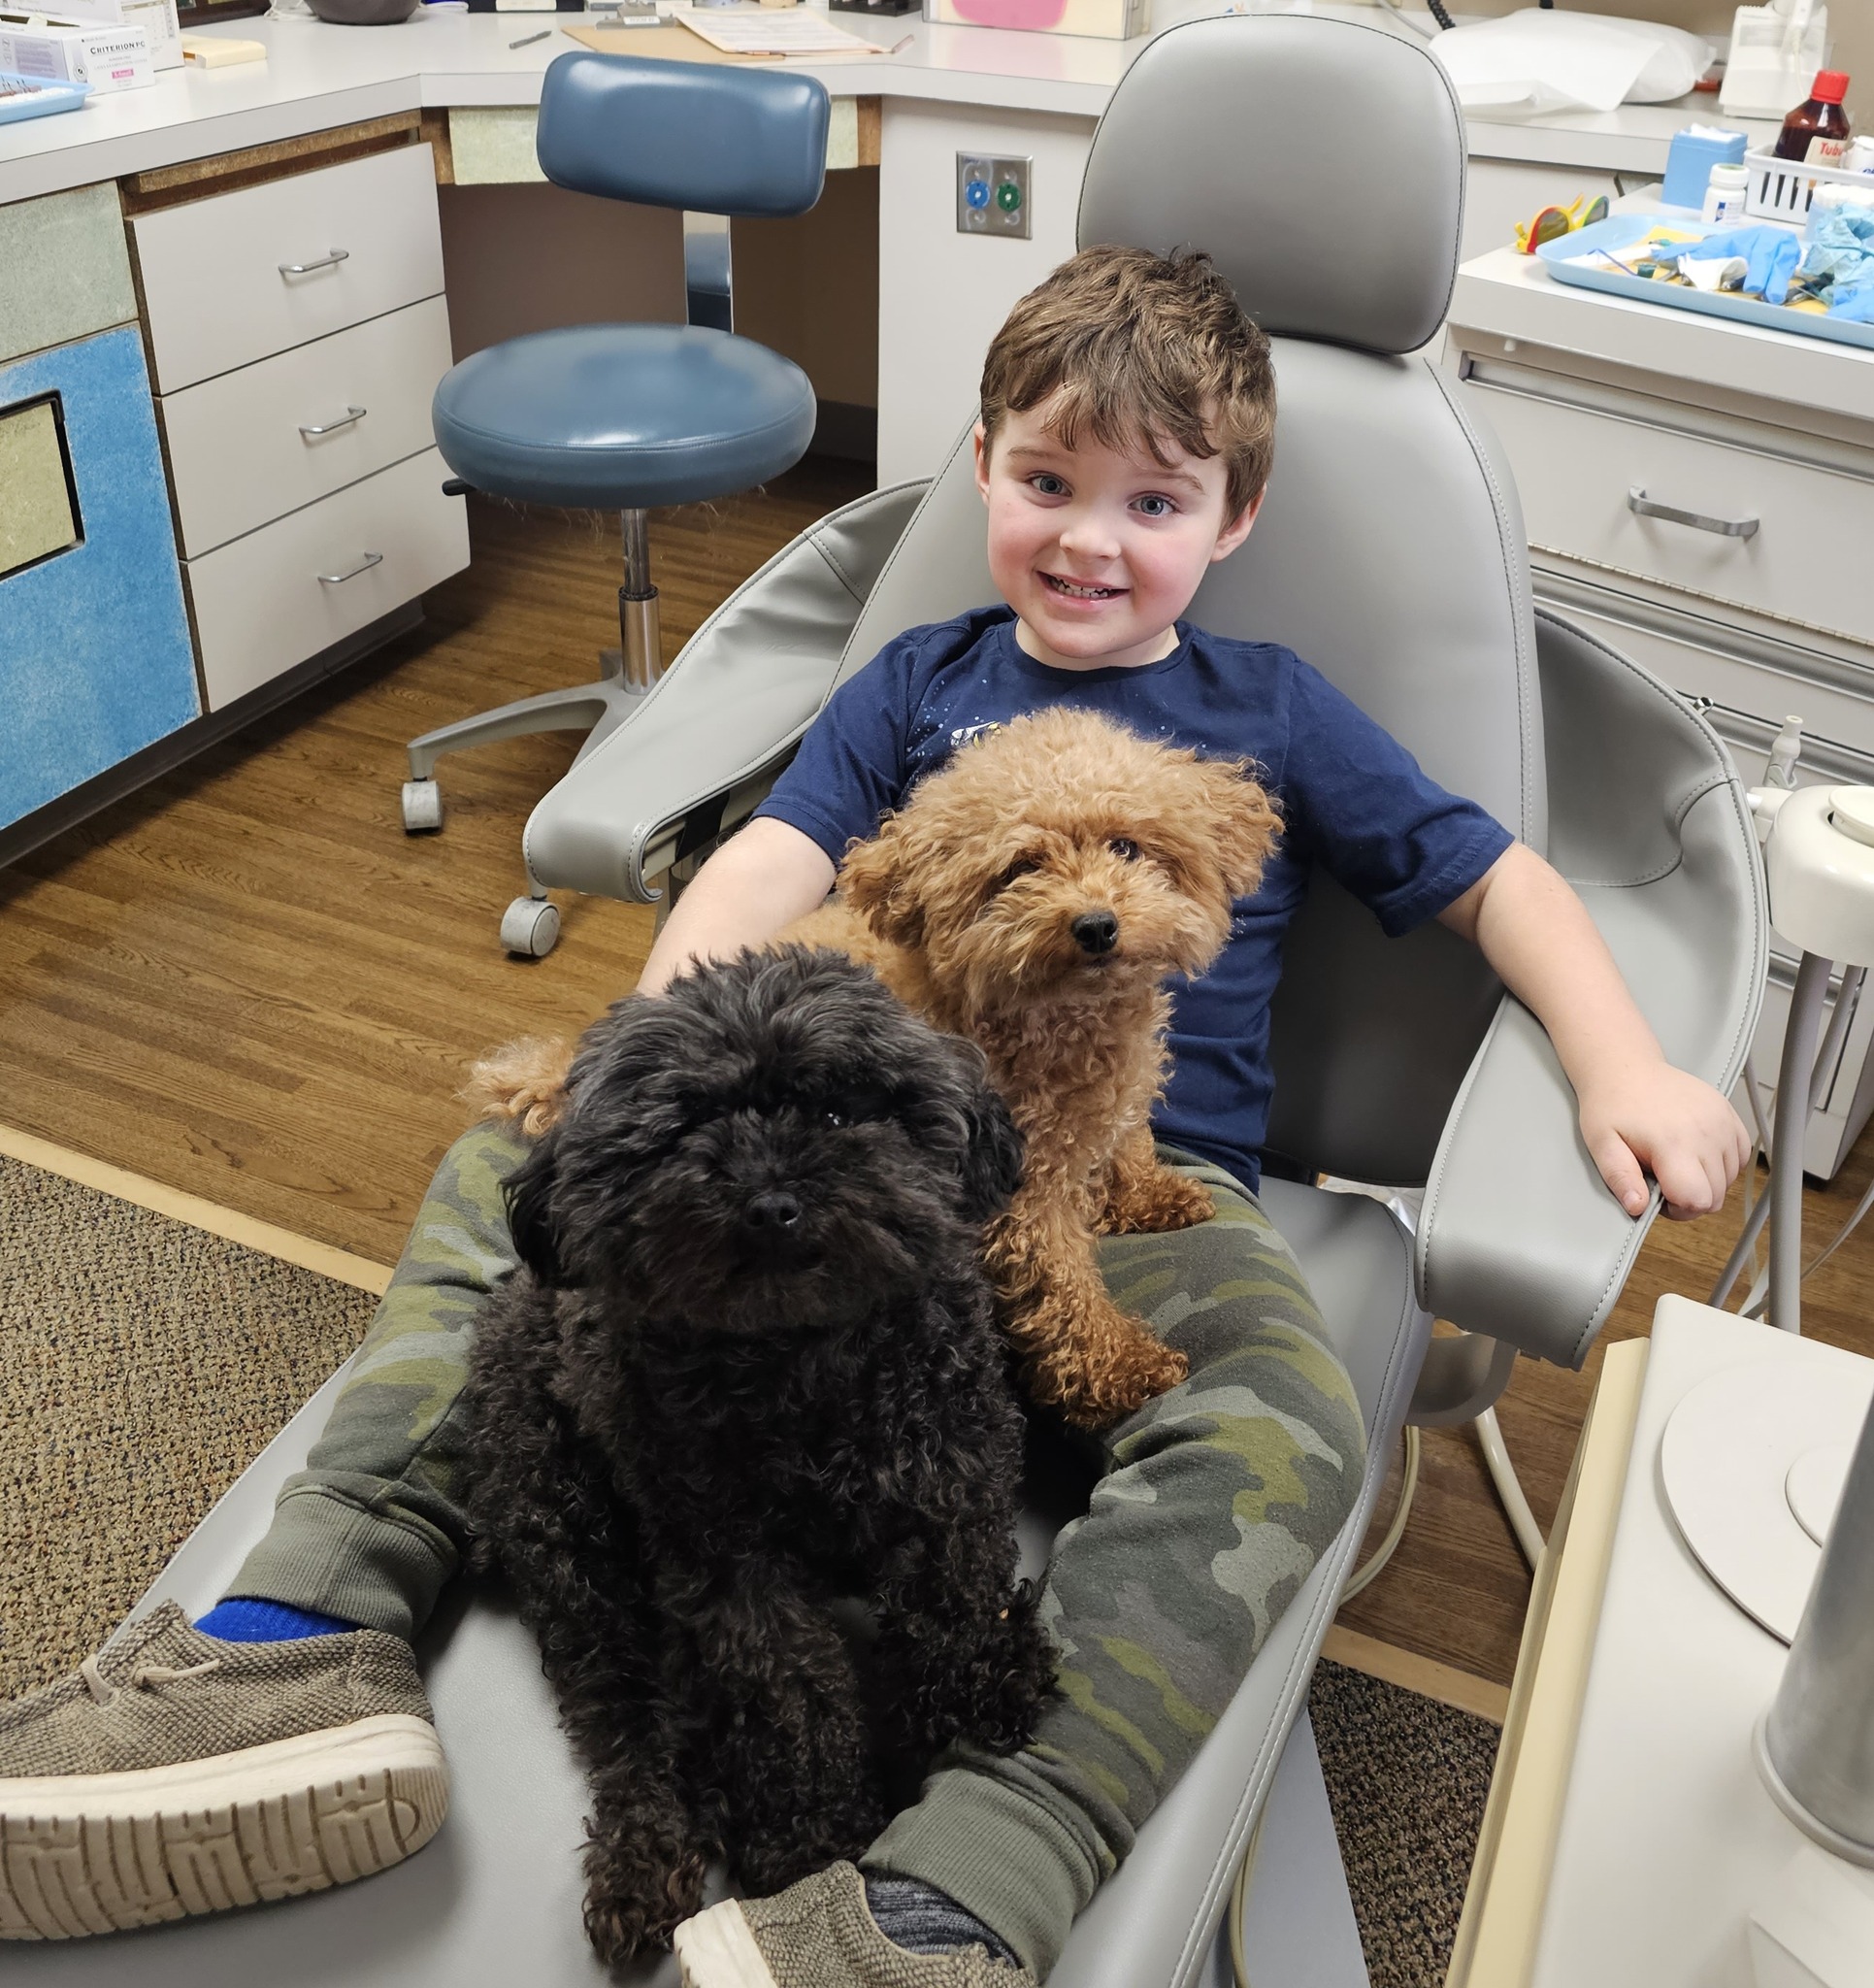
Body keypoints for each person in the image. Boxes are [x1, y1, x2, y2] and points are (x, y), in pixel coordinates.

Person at [0, 247, 1749, 1985]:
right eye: (1048, 481)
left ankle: (959, 1888)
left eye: (1152, 499)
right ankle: (296, 1642)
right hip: (853, 1142)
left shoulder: (1269, 710)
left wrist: (1626, 1064)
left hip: (1144, 1184)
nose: (1088, 536)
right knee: (514, 1180)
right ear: (981, 465)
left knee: (1285, 1426)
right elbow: (774, 861)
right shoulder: (920, 676)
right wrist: (650, 1060)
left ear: (1232, 518)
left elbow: (1489, 878)